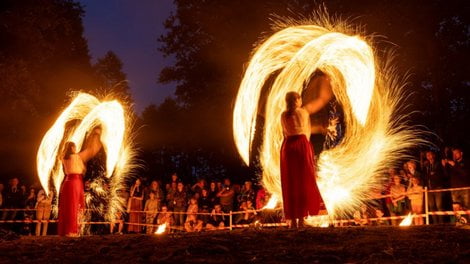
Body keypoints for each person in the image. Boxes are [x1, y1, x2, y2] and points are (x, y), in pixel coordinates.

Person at [280, 88, 329, 228]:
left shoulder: (283, 115)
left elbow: (284, 133)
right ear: (296, 100)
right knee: (303, 181)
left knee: (290, 183)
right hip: (301, 144)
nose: (301, 101)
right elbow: (306, 132)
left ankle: (293, 220)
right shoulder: (302, 112)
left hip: (287, 147)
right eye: (300, 99)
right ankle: (301, 219)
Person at [58, 127, 102, 236]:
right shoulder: (76, 157)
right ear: (72, 147)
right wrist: (95, 136)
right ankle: (72, 231)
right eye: (75, 147)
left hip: (67, 182)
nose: (76, 149)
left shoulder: (63, 158)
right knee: (74, 206)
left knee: (67, 207)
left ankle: (65, 230)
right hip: (75, 182)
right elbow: (91, 151)